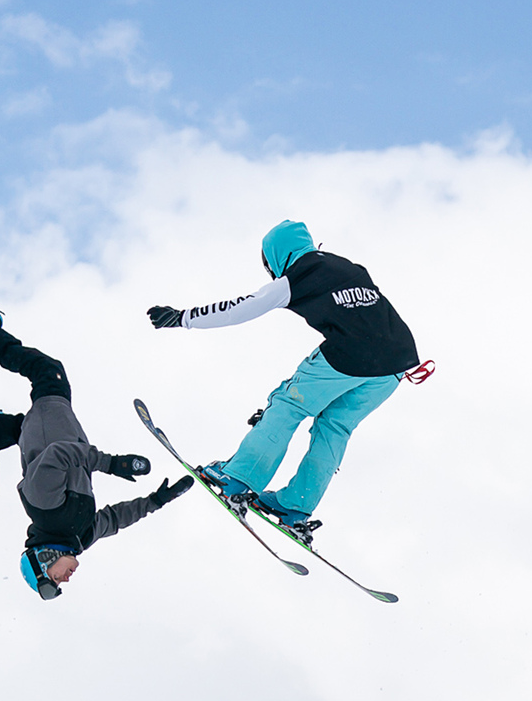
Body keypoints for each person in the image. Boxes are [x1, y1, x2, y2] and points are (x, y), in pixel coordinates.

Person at [146, 219, 432, 537]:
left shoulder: (297, 277)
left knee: (287, 406)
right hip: (397, 363)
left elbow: (240, 308)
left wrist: (182, 317)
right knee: (334, 427)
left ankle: (238, 478)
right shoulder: (348, 267)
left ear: (276, 257)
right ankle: (295, 505)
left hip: (353, 354)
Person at [0, 307, 193, 601]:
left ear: (44, 559)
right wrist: (157, 501)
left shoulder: (45, 509)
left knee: (46, 370)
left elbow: (59, 454)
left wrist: (110, 464)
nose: (66, 579)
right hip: (47, 434)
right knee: (21, 429)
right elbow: (114, 520)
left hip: (51, 429)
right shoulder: (78, 537)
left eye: (56, 578)